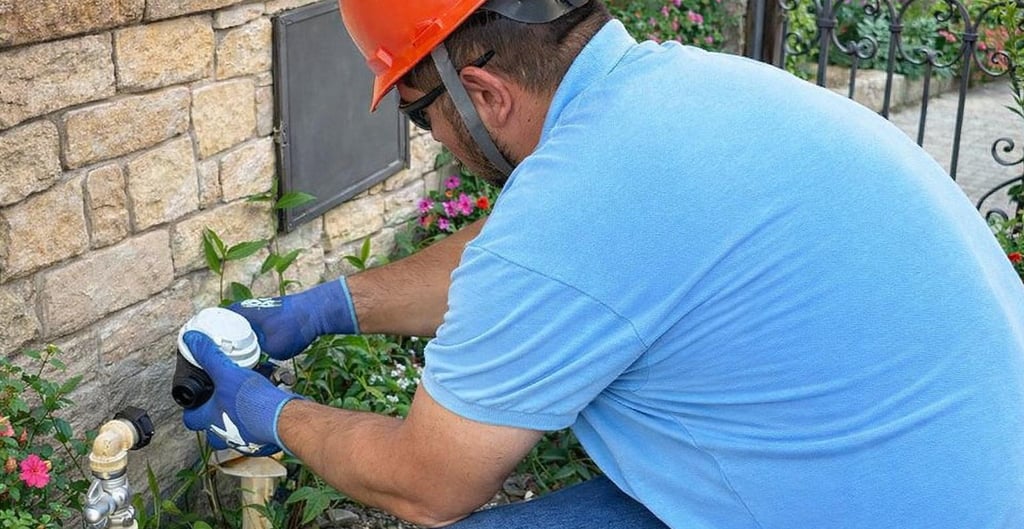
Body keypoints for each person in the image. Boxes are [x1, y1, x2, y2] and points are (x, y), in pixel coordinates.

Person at [177, 0, 1024, 527]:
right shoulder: (674, 94)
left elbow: (427, 483)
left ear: (483, 94)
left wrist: (267, 413)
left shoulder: (582, 197)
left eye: (419, 116)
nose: (430, 138)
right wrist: (322, 308)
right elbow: (529, 260)